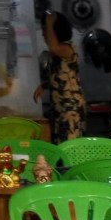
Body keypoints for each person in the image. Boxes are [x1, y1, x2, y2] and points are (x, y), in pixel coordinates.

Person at [34, 10, 86, 142]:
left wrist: (49, 23)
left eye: (45, 30)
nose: (43, 34)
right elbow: (61, 75)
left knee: (70, 145)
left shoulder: (67, 48)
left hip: (70, 108)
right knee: (60, 143)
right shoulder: (56, 53)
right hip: (60, 107)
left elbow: (53, 47)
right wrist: (44, 86)